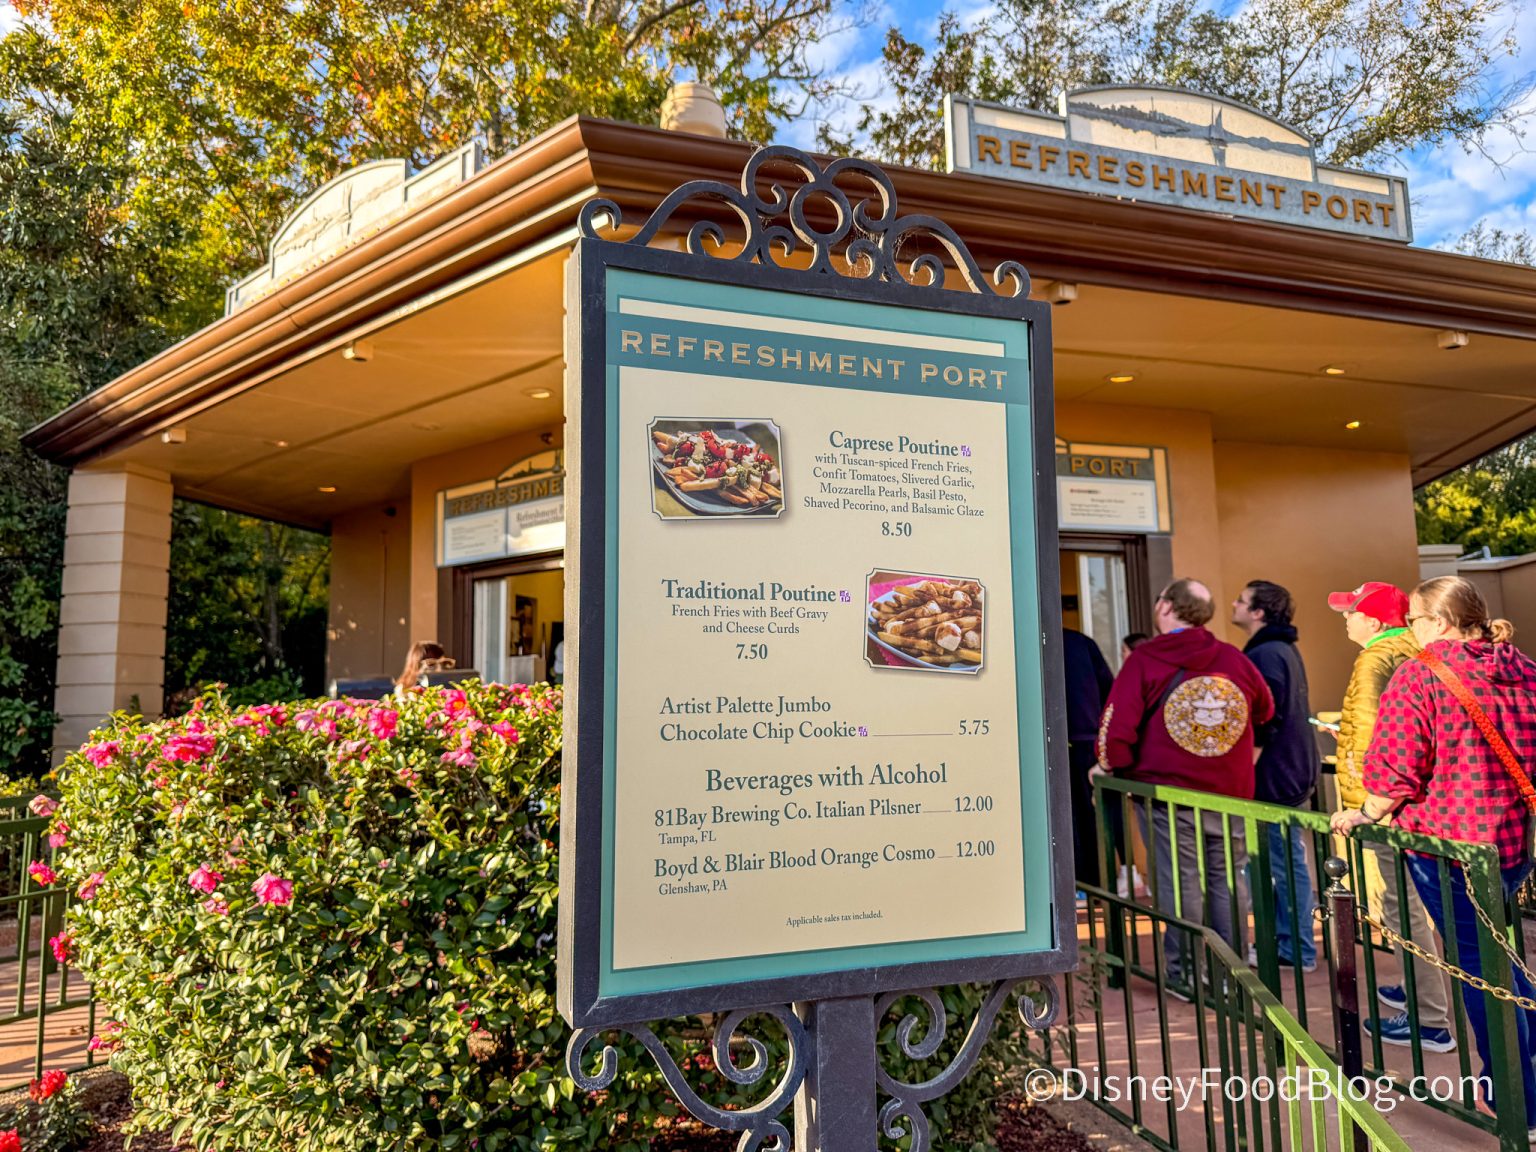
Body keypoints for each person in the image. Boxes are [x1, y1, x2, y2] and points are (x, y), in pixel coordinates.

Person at [1332, 576, 1536, 1125]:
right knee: (1497, 952)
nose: (1412, 632)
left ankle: (1517, 1101)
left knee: (1479, 968)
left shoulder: (1419, 675)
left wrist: (1367, 810)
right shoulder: (1523, 668)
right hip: (1513, 844)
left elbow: (1393, 769)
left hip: (1449, 849)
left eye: (1416, 622)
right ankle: (1530, 1044)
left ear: (1439, 623)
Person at [1094, 578, 1275, 994]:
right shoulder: (1234, 659)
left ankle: (1186, 971)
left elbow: (1115, 729)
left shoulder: (1145, 660)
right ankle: (1232, 971)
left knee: (1180, 881)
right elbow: (1265, 709)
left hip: (1167, 795)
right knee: (1227, 879)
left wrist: (1113, 767)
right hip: (1228, 793)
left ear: (1165, 607)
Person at [1328, 581, 1453, 1051]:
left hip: (1387, 805)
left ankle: (1431, 1019)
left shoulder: (1375, 659)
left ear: (1375, 622)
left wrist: (1365, 808)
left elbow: (1371, 737)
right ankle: (1419, 989)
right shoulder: (1417, 650)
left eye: (1351, 611)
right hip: (1418, 799)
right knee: (1413, 904)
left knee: (1401, 907)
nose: (1345, 618)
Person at [1231, 580, 1322, 973]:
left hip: (1276, 776)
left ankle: (1296, 949)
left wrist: (1245, 764)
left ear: (1258, 613)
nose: (1233, 603)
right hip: (1291, 771)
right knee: (1283, 861)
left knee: (1282, 863)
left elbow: (1266, 718)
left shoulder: (1267, 654)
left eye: (1241, 600)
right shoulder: (1280, 649)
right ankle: (1291, 943)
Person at [1063, 627, 1115, 884]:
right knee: (1088, 816)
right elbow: (1109, 692)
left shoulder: (1022, 642)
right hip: (1085, 739)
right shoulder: (1081, 643)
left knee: (1067, 817)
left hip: (1062, 741)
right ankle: (1094, 884)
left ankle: (1079, 883)